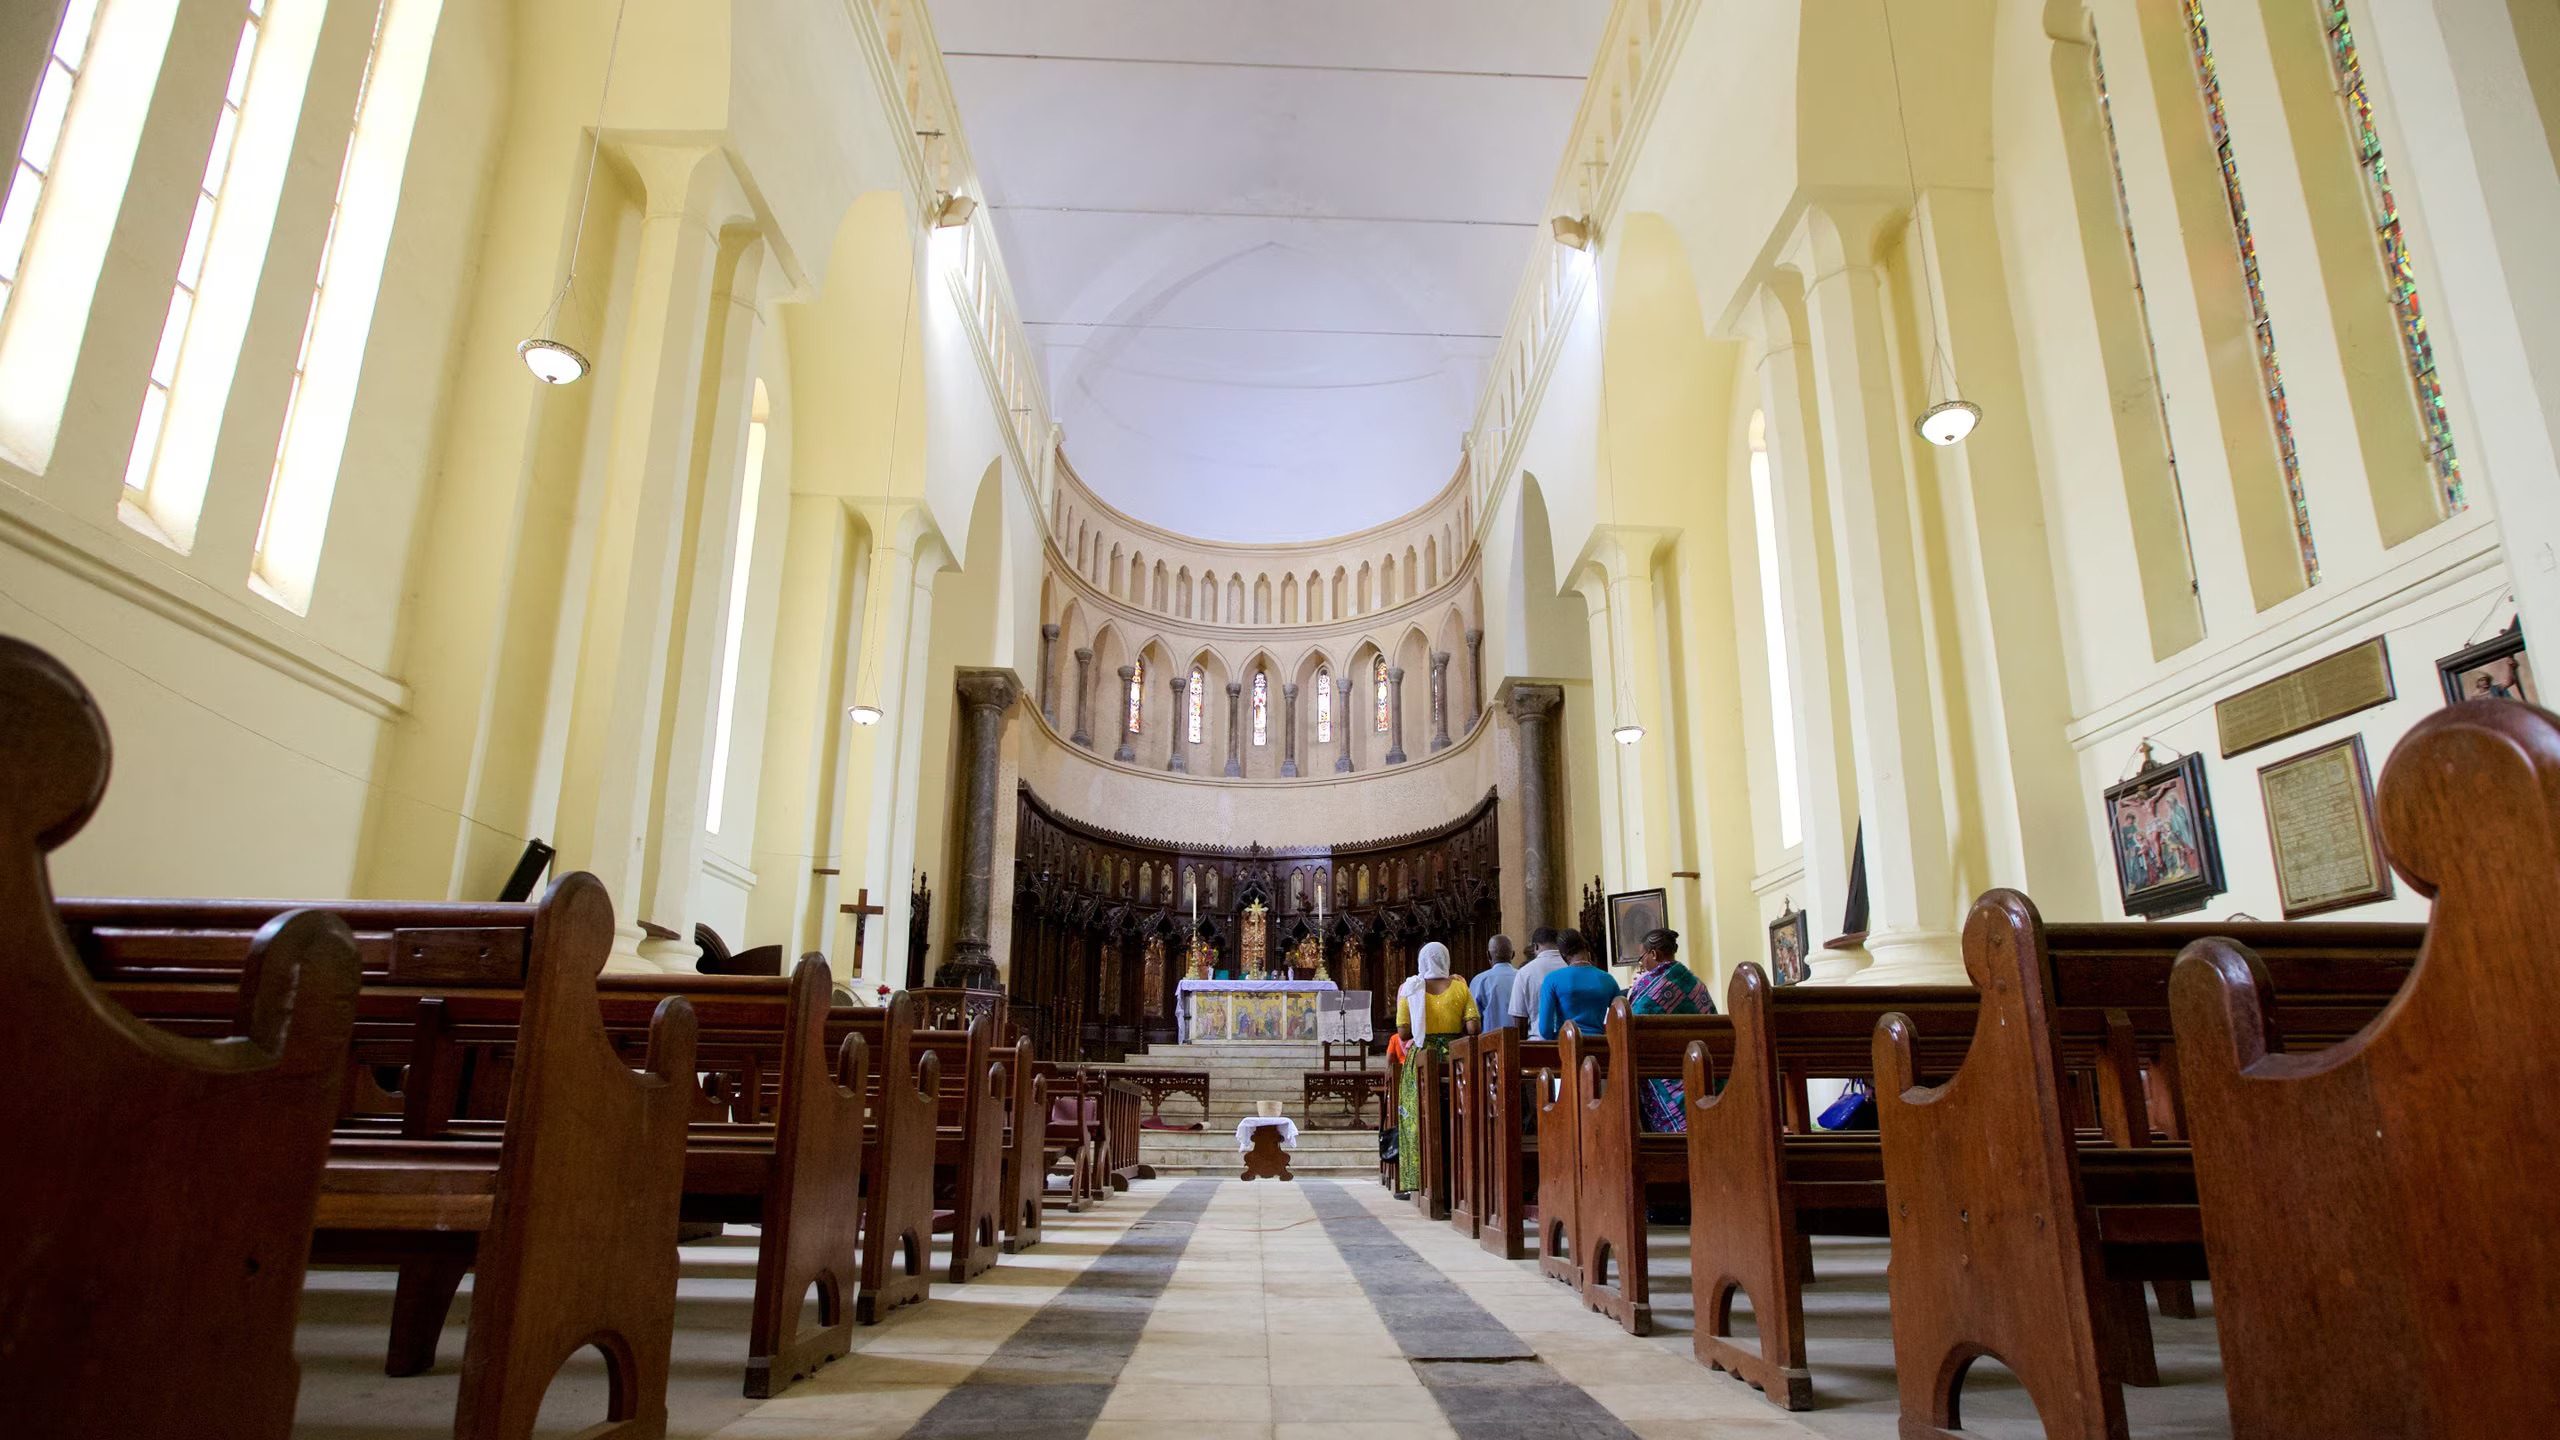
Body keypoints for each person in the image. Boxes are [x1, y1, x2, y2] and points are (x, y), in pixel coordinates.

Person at [1393, 940, 1480, 1195]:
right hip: (1455, 1058)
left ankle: (1417, 1180)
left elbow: (1403, 1032)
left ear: (1421, 961)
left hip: (1422, 1058)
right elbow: (1474, 1028)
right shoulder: (1460, 987)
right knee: (1456, 1114)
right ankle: (1458, 1178)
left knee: (1416, 1117)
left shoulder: (1412, 988)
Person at [1625, 928, 1711, 1132]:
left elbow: (1629, 1024)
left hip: (1661, 1069)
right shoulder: (1694, 982)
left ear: (1653, 954)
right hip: (1699, 1066)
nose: (1642, 964)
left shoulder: (1647, 985)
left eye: (1642, 957)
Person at [1534, 928, 1620, 1042]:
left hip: (1567, 1046)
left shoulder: (1552, 980)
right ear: (1585, 948)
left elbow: (1545, 1030)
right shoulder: (1608, 979)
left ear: (1563, 954)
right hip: (1600, 1045)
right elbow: (1620, 1018)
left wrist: (1560, 1037)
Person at [1509, 926, 1566, 1034]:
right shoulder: (1569, 966)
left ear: (1535, 946)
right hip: (1571, 1040)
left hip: (1538, 1041)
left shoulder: (1524, 972)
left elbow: (1519, 1019)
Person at [1469, 935, 1519, 1033]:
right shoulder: (1523, 977)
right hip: (1521, 1042)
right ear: (1513, 954)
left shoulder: (1479, 980)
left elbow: (1473, 1019)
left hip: (1489, 1043)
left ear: (1488, 955)